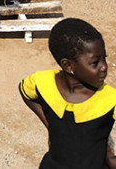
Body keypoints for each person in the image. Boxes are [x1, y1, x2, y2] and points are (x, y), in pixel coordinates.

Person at [19, 17, 116, 169]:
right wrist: (49, 125)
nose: (104, 67)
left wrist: (110, 156)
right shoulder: (43, 83)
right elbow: (24, 91)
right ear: (68, 65)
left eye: (105, 58)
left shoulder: (110, 99)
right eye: (95, 62)